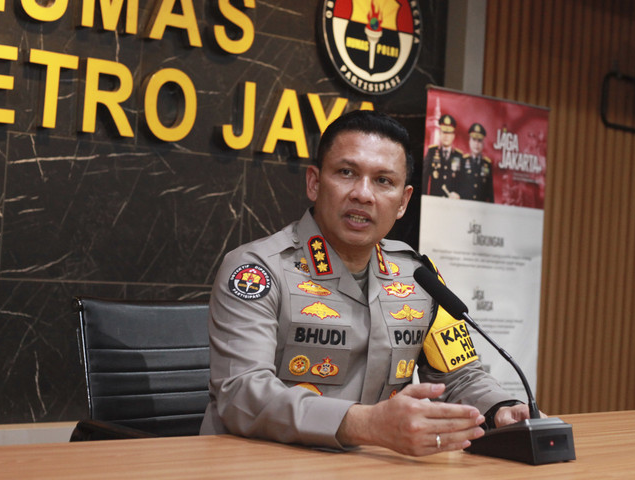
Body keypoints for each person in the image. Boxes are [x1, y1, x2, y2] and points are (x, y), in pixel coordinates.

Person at [200, 110, 530, 456]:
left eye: (383, 181)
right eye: (347, 173)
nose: (363, 194)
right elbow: (242, 393)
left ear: (403, 202)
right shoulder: (257, 270)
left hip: (368, 466)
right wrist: (367, 424)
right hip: (259, 464)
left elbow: (460, 376)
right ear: (314, 182)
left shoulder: (419, 277)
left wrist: (500, 408)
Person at [423, 114, 463, 198]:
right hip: (435, 200)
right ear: (440, 133)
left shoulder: (458, 156)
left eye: (449, 133)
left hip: (452, 201)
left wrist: (459, 195)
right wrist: (424, 197)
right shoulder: (432, 152)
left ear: (453, 136)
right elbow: (424, 177)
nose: (446, 136)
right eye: (444, 132)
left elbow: (462, 180)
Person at [457, 123, 494, 202]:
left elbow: (490, 191)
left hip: (481, 206)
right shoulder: (462, 161)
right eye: (474, 140)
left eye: (479, 141)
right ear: (469, 142)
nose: (476, 144)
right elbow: (456, 186)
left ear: (483, 144)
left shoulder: (487, 164)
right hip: (464, 205)